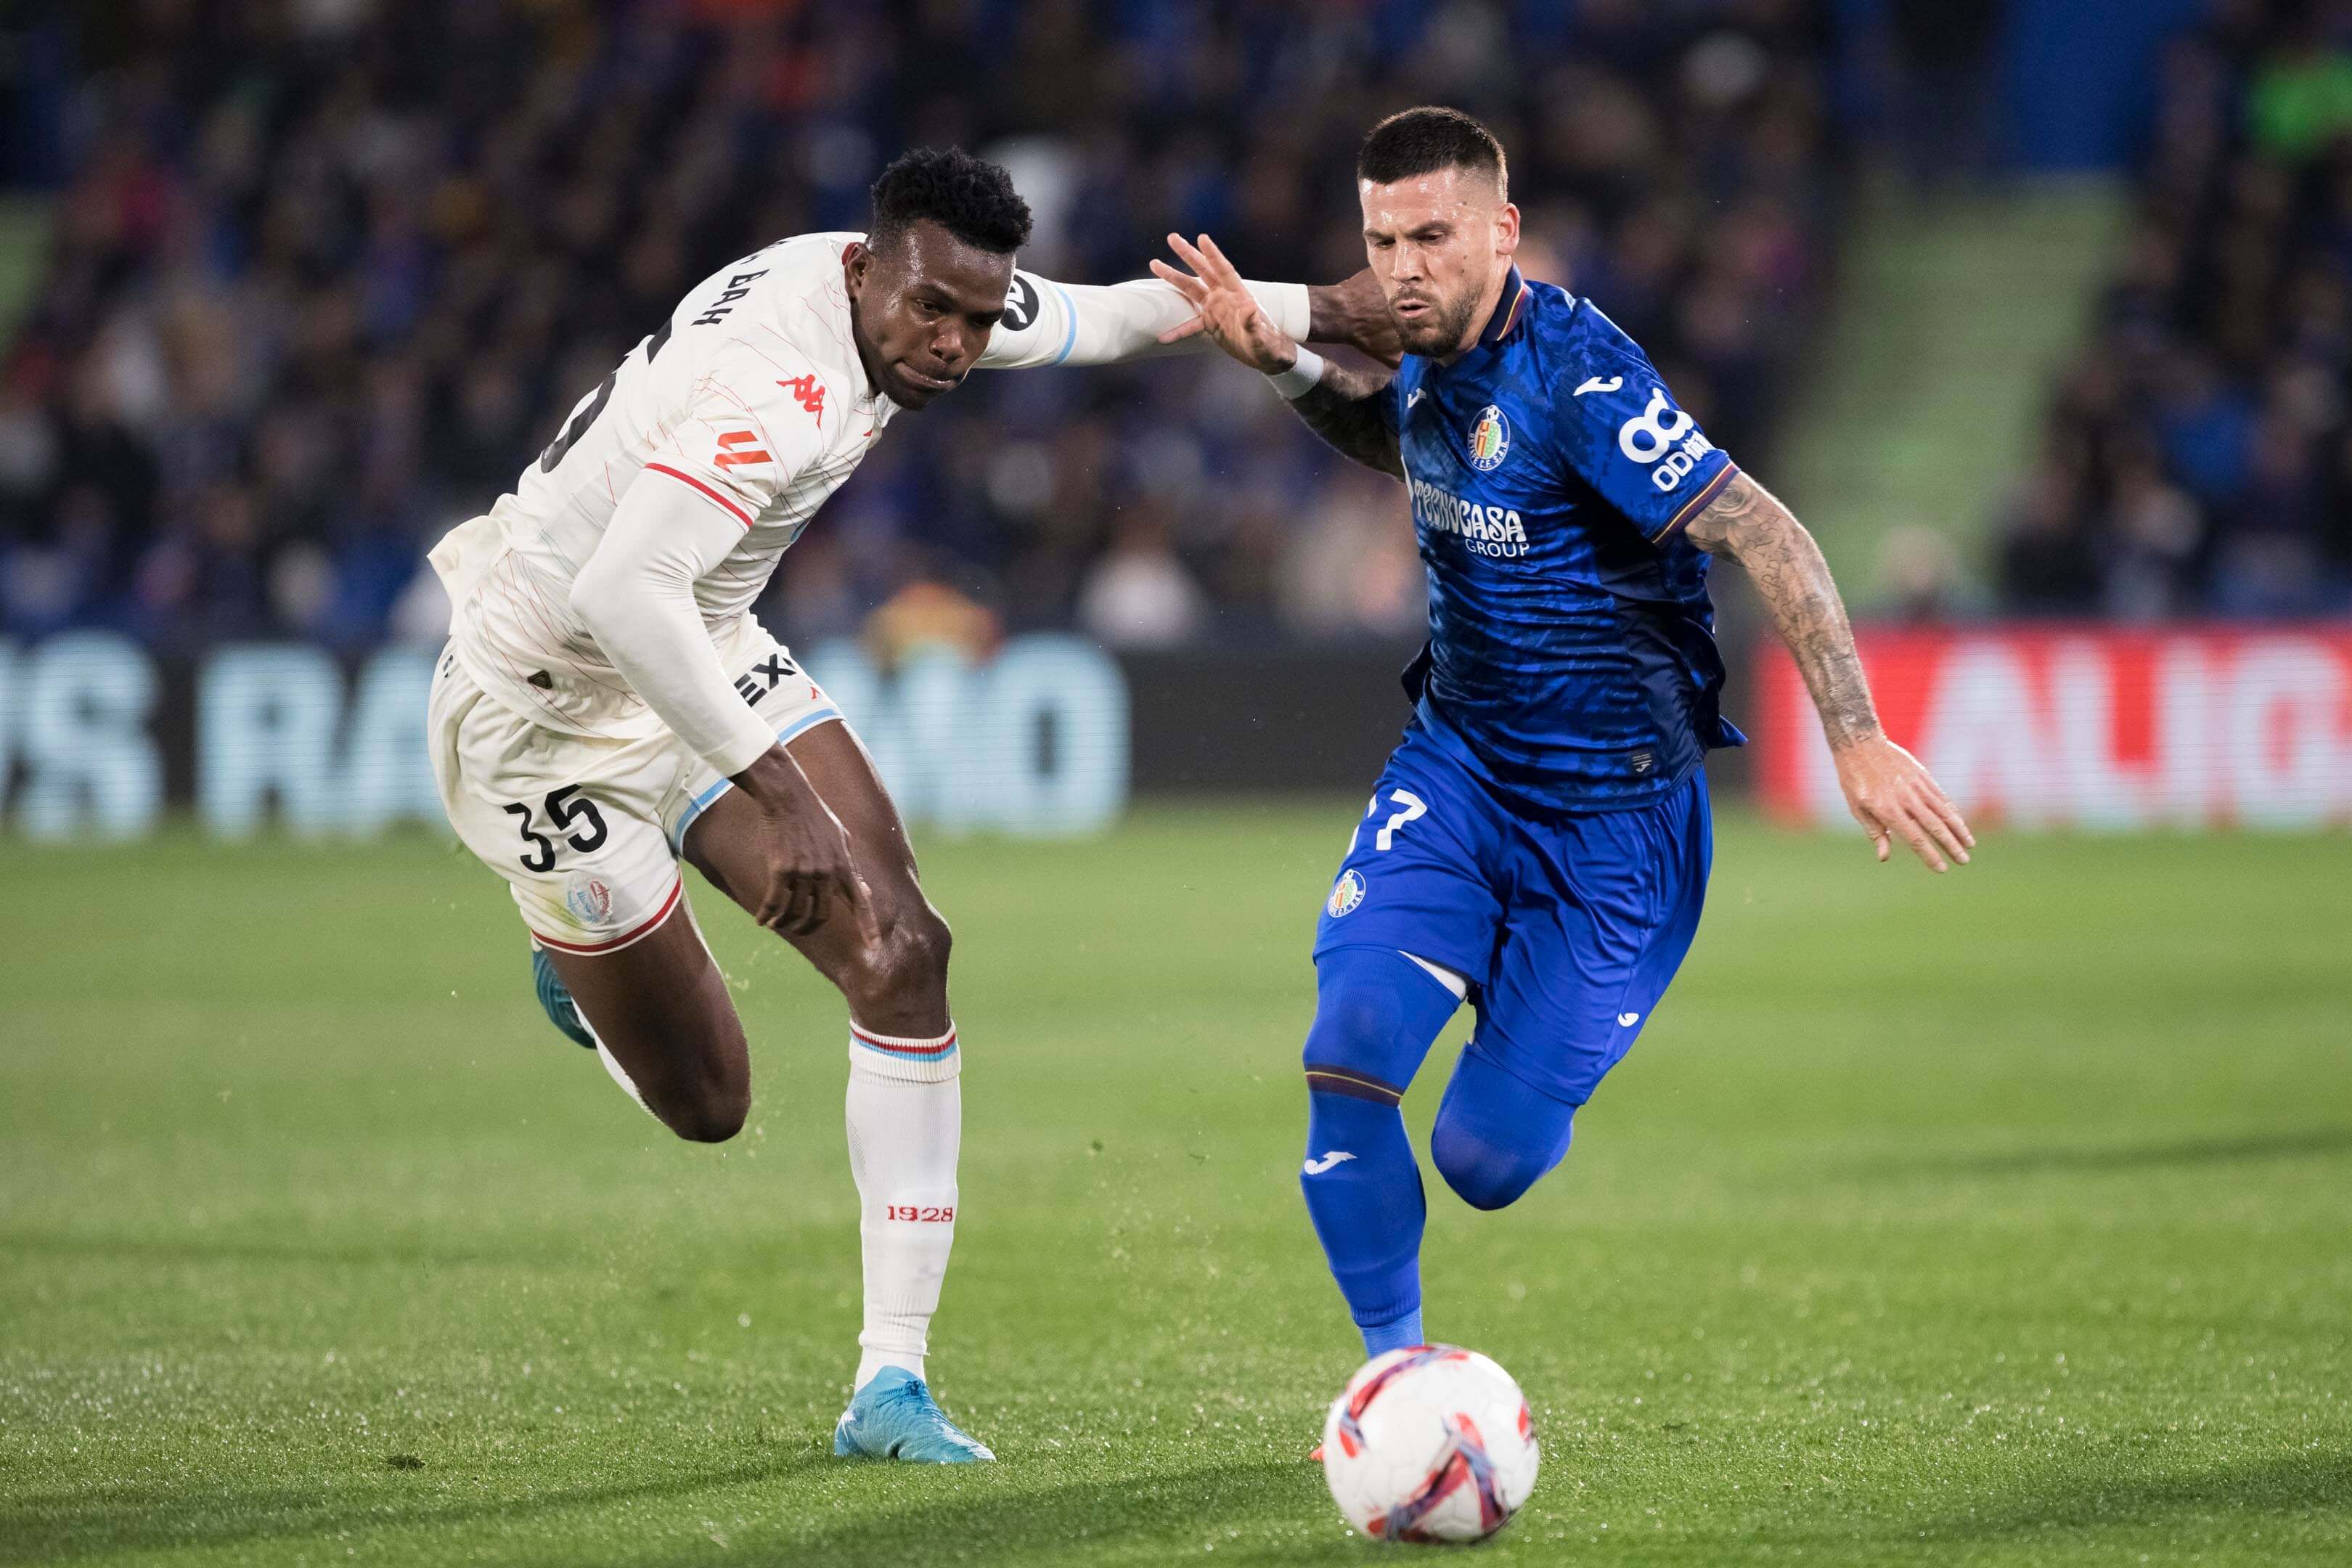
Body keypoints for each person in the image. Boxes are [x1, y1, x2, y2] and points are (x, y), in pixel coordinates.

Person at [424, 147, 1389, 1461]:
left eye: (977, 321)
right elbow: (616, 598)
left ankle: (890, 1388)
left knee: (904, 952)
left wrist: (1327, 309)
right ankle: (574, 958)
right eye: (931, 313)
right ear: (865, 273)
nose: (951, 346)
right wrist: (777, 787)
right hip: (542, 710)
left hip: (694, 639)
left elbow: (1112, 316)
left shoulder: (928, 288)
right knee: (711, 1105)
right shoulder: (782, 382)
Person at [1153, 107, 1973, 1363]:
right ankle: (1397, 1378)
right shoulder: (1420, 337)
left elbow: (1766, 531)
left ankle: (1537, 1032)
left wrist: (1855, 737)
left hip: (1617, 832)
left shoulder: (1581, 378)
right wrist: (1286, 360)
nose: (1405, 266)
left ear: (1504, 231)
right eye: (1384, 239)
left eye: (1433, 234)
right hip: (1463, 768)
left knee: (1485, 1160)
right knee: (1349, 1052)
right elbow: (1400, 435)